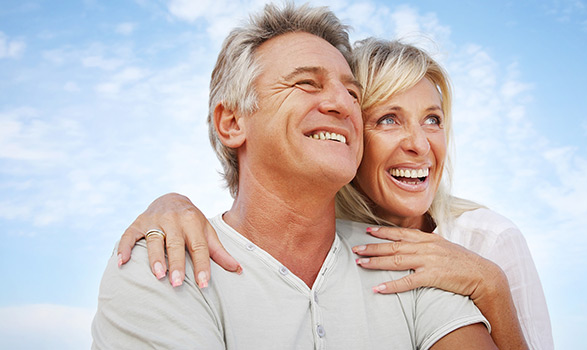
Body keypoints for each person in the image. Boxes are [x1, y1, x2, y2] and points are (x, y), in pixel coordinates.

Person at [92, 3, 496, 349]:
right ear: (232, 121)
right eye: (306, 83)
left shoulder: (409, 259)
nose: (342, 103)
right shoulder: (162, 262)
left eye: (353, 94)